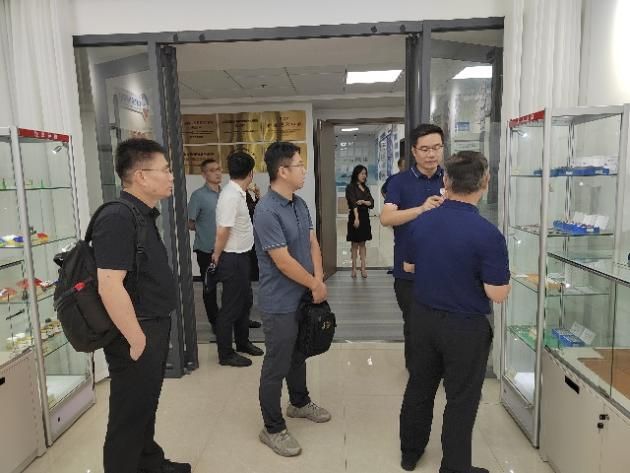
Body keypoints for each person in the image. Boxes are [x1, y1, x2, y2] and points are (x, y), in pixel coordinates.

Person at [399, 151, 511, 473]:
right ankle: (454, 467)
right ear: (485, 182)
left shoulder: (422, 221)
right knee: (461, 398)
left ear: (446, 181)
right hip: (465, 327)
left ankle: (410, 453)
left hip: (423, 318)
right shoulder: (488, 234)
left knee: (419, 386)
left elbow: (408, 266)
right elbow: (497, 293)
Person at [93, 138, 190, 473]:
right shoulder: (117, 217)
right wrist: (136, 339)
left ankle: (149, 463)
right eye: (165, 170)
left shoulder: (141, 214)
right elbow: (109, 284)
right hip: (135, 331)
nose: (171, 176)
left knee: (145, 404)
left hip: (151, 324)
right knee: (129, 413)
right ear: (141, 176)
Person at [254, 141, 331, 457]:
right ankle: (272, 428)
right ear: (283, 171)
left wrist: (319, 279)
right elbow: (282, 261)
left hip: (304, 295)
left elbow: (312, 242)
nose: (304, 170)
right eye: (299, 165)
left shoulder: (299, 203)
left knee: (299, 354)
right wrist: (313, 283)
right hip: (279, 302)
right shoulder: (266, 211)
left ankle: (299, 402)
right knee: (277, 363)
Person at [380, 124, 446, 367]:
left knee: (443, 325)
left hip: (445, 269)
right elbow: (386, 218)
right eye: (425, 149)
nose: (432, 154)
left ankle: (441, 369)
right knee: (415, 325)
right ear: (414, 152)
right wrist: (421, 209)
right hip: (409, 271)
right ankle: (417, 372)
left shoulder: (450, 179)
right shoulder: (399, 182)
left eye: (437, 148)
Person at [212, 151, 264, 367]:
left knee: (244, 303)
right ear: (250, 173)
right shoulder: (231, 196)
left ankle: (243, 342)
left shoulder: (239, 193)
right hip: (231, 259)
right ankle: (225, 354)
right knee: (230, 308)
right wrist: (216, 256)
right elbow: (223, 230)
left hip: (242, 256)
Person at [187, 158, 221, 335]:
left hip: (226, 250)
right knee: (210, 288)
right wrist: (204, 230)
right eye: (212, 170)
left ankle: (235, 318)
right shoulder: (198, 196)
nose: (217, 173)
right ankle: (215, 322)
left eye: (219, 169)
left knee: (234, 286)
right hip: (206, 249)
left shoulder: (226, 194)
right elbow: (189, 222)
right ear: (204, 174)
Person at [345, 164, 374, 278]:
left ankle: (363, 268)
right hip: (355, 216)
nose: (364, 176)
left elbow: (371, 202)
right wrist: (356, 218)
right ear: (356, 174)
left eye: (365, 174)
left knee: (363, 243)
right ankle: (353, 268)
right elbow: (353, 203)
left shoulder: (365, 188)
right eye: (362, 173)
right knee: (354, 244)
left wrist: (363, 202)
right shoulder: (350, 187)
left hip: (365, 217)